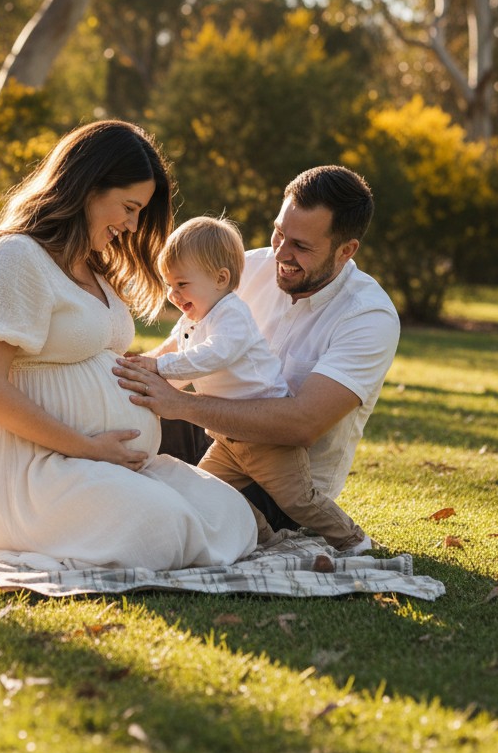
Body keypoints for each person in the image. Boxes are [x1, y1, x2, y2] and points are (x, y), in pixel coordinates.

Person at [0, 120, 256, 570]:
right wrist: (88, 447)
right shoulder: (16, 258)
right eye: (129, 207)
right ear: (90, 186)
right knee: (163, 530)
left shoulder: (91, 265)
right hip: (31, 470)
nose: (133, 226)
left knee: (232, 517)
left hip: (101, 462)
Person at [113, 165, 400, 539]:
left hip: (281, 475)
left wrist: (179, 405)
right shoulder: (248, 267)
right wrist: (130, 375)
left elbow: (303, 424)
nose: (282, 252)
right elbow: (183, 343)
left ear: (346, 251)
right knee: (124, 435)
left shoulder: (368, 316)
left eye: (301, 246)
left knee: (174, 519)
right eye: (280, 233)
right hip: (216, 435)